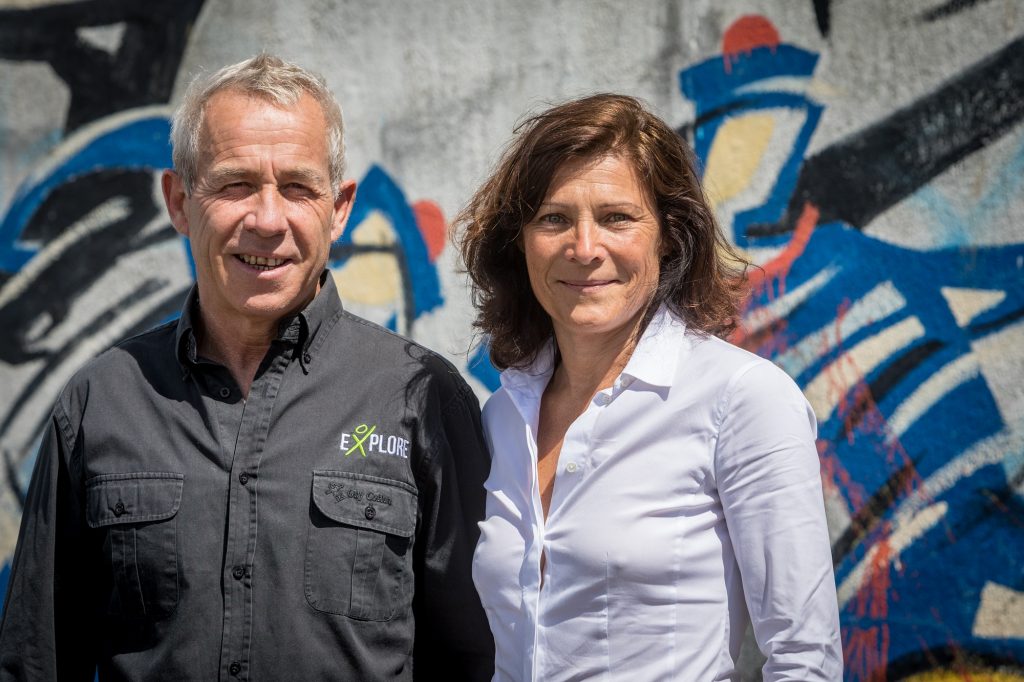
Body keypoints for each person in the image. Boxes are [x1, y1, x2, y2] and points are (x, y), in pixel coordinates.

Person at [0, 54, 493, 680]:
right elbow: (36, 661)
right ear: (180, 201)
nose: (266, 220)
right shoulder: (101, 401)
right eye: (235, 185)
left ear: (338, 208)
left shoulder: (420, 397)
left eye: (297, 187)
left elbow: (477, 655)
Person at [458, 94, 842, 681]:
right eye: (554, 218)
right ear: (520, 242)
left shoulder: (742, 400)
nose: (584, 248)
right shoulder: (504, 414)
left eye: (617, 217)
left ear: (668, 236)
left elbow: (804, 658)